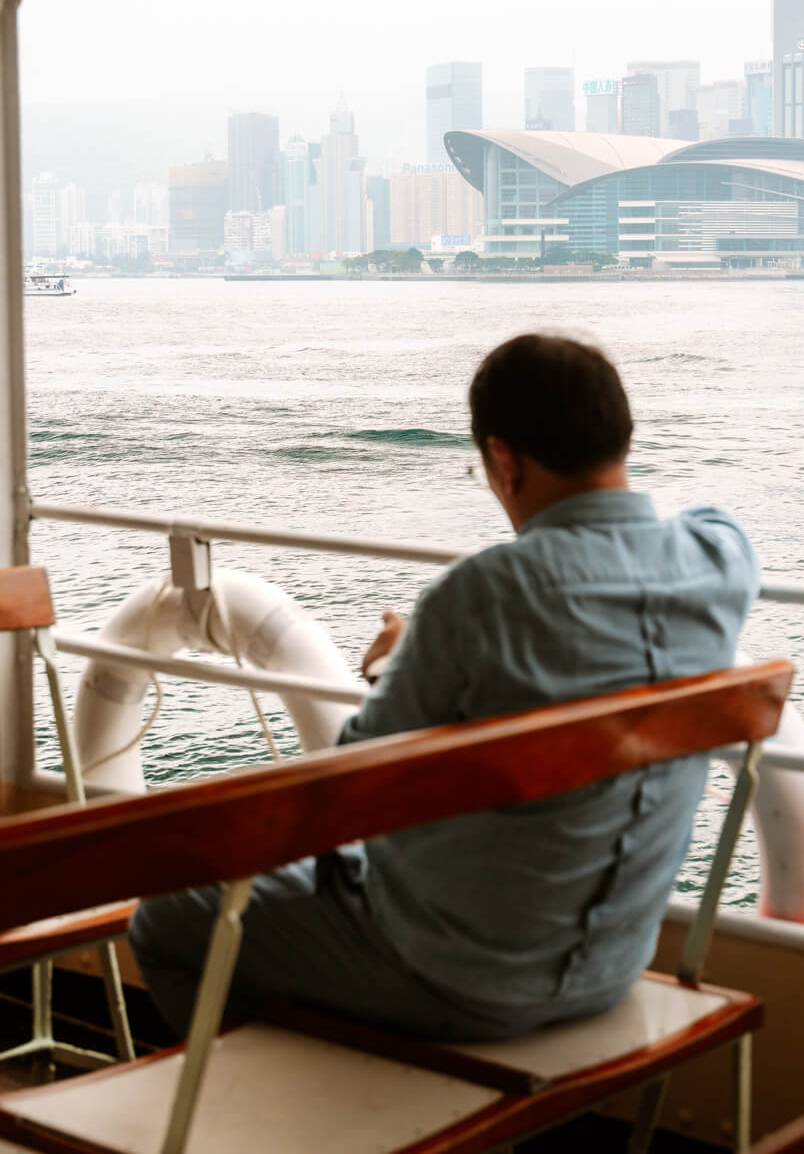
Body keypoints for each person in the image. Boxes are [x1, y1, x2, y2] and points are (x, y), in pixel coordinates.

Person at [130, 334, 760, 1041]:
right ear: (621, 438)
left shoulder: (485, 594)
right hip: (613, 963)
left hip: (460, 975)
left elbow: (354, 780)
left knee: (165, 921)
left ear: (503, 461)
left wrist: (396, 664)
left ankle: (298, 1117)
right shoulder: (720, 553)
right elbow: (657, 557)